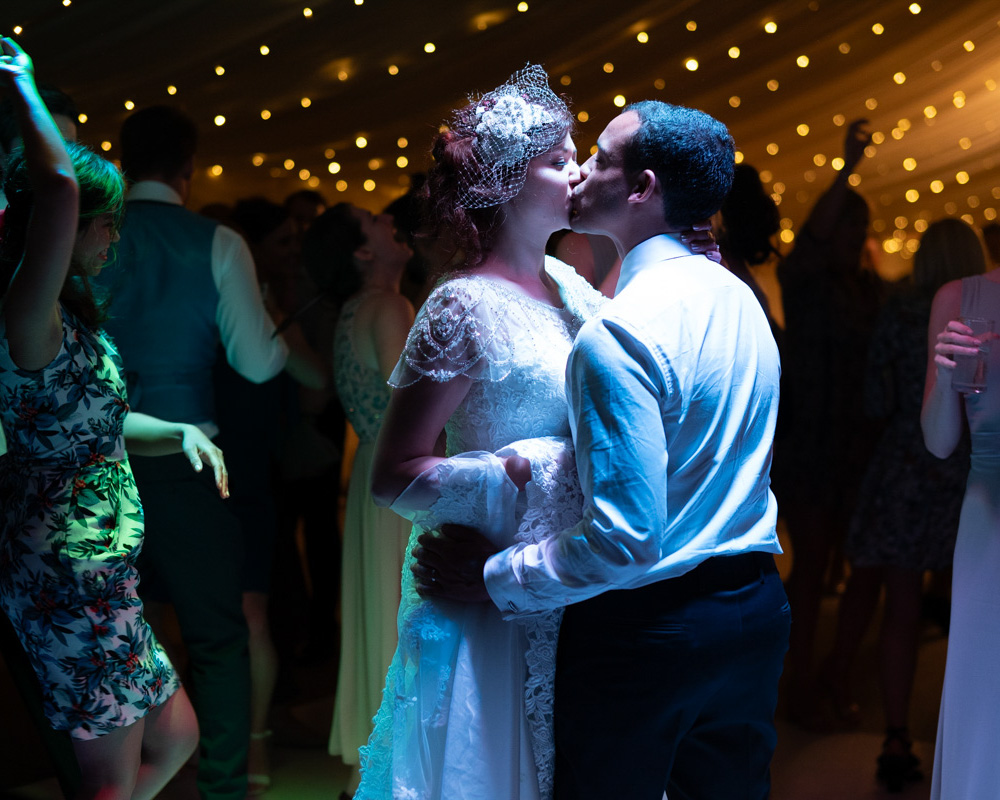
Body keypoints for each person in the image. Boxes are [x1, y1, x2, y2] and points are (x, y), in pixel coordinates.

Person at [418, 101, 789, 800]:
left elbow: (626, 540)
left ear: (643, 188)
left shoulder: (619, 334)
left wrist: (498, 576)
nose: (581, 173)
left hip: (650, 626)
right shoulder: (739, 297)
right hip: (754, 611)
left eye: (600, 160)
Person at [357, 64, 606, 800]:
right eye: (559, 160)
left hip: (569, 579)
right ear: (504, 184)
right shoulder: (461, 307)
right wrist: (510, 474)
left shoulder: (578, 290)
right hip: (490, 583)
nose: (579, 171)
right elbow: (393, 473)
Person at [0, 37, 226, 800]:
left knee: (178, 735)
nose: (113, 239)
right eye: (107, 225)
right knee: (110, 777)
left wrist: (178, 431)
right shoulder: (25, 315)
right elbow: (60, 190)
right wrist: (24, 85)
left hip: (101, 573)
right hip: (70, 574)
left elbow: (95, 423)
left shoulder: (68, 321)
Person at [93, 105, 320, 799]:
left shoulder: (89, 235)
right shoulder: (216, 242)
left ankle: (123, 783)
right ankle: (223, 787)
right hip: (190, 467)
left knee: (112, 641)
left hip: (95, 466)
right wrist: (283, 341)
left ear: (123, 160)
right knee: (218, 639)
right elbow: (254, 364)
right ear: (188, 169)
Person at [822, 218, 982, 791]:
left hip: (909, 464)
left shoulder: (902, 308)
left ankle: (895, 731)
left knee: (900, 602)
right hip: (967, 472)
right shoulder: (978, 307)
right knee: (963, 607)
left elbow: (876, 395)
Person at [300, 203, 415, 796]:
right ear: (363, 253)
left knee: (381, 613)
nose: (391, 220)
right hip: (401, 480)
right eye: (376, 222)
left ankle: (365, 771)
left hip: (374, 472)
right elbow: (417, 413)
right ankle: (392, 768)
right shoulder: (389, 308)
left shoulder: (353, 311)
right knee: (402, 617)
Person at [776, 119, 884, 724]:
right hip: (812, 445)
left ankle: (832, 672)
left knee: (856, 563)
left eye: (863, 229)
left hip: (857, 448)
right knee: (813, 566)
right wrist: (847, 170)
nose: (856, 237)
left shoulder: (870, 292)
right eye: (850, 225)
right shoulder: (807, 285)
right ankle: (797, 685)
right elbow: (811, 241)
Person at [921, 237, 1000, 800]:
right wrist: (946, 378)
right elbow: (940, 441)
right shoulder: (960, 297)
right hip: (987, 514)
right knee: (984, 686)